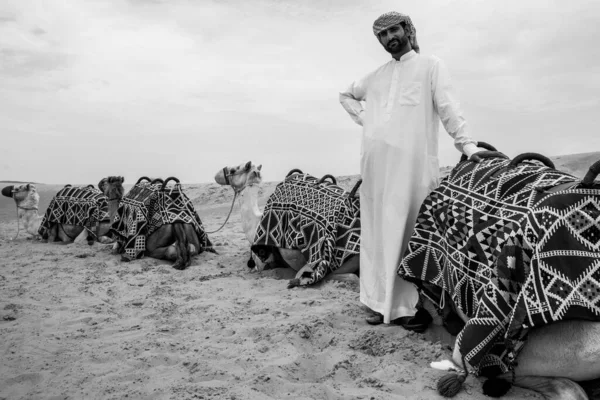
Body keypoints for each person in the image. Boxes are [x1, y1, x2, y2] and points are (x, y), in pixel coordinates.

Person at [339, 12, 502, 328]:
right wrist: (366, 120)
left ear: (407, 31)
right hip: (376, 170)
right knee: (377, 234)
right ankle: (378, 302)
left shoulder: (430, 66)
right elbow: (345, 95)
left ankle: (415, 306)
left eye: (394, 31)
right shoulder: (374, 77)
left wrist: (467, 146)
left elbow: (449, 109)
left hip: (413, 169)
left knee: (415, 231)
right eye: (382, 35)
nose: (389, 38)